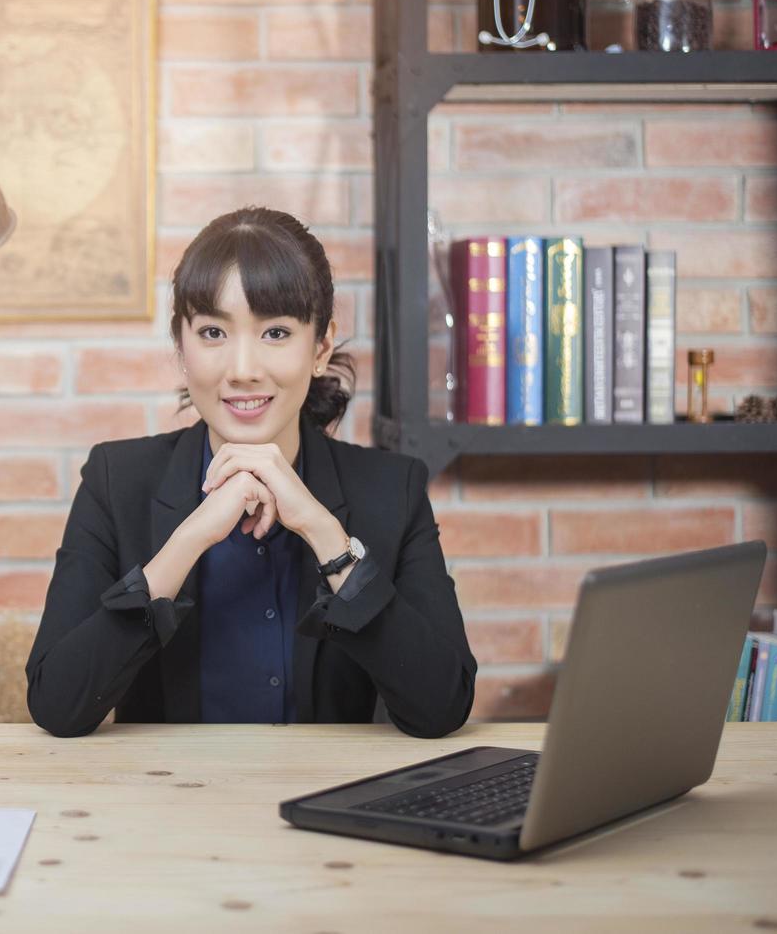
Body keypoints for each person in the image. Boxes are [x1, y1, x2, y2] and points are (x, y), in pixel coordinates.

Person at [25, 207, 476, 738]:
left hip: (330, 801)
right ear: (181, 346)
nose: (242, 369)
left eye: (276, 333)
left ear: (321, 347)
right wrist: (188, 539)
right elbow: (57, 704)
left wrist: (324, 533)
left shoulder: (391, 490)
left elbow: (442, 707)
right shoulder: (115, 479)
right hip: (161, 806)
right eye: (213, 332)